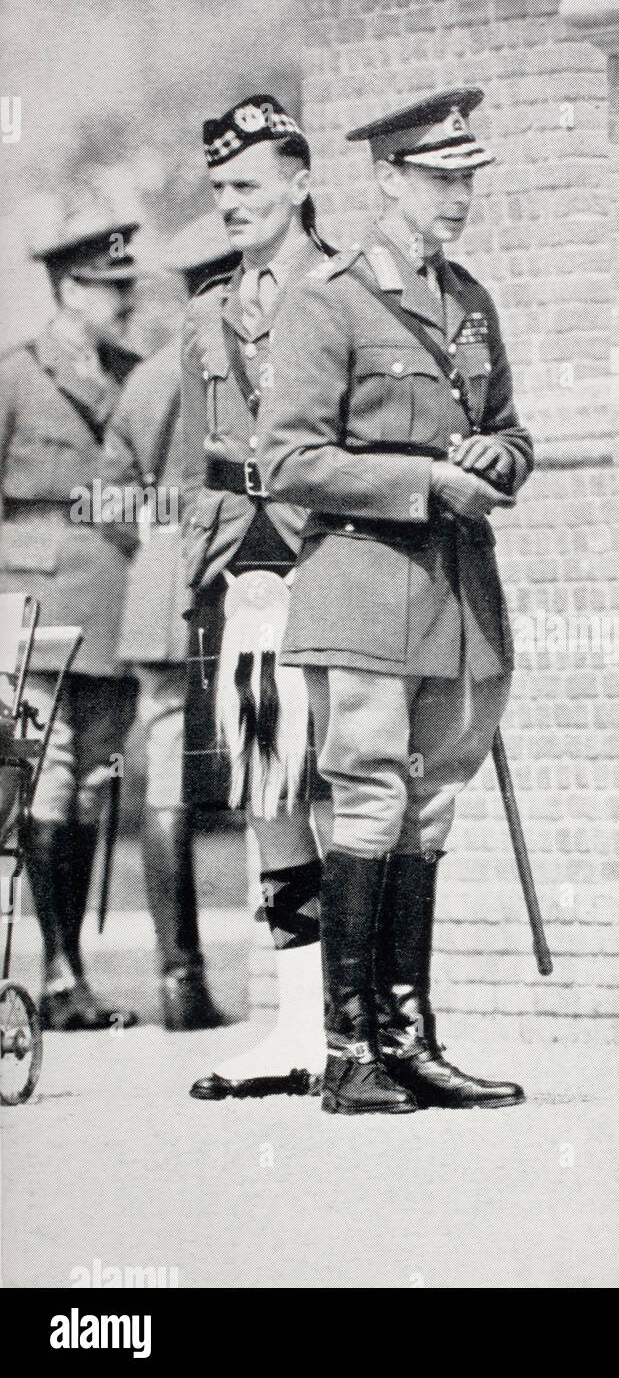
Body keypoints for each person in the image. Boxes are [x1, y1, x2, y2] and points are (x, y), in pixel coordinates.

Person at [257, 88, 531, 1115]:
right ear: (385, 178)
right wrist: (424, 481)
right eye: (436, 177)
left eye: (466, 177)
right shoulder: (328, 298)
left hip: (458, 594)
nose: (457, 196)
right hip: (365, 584)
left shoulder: (469, 299)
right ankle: (348, 1051)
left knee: (431, 808)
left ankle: (410, 1040)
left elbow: (512, 434)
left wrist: (494, 458)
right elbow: (286, 459)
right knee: (369, 797)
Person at [179, 96, 334, 1100]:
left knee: (363, 792)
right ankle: (299, 1025)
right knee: (273, 794)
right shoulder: (203, 313)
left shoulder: (350, 289)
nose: (230, 203)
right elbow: (203, 457)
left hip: (344, 559)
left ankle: (371, 1023)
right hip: (253, 575)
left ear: (298, 181)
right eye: (220, 188)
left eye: (247, 185)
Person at [0, 219, 142, 1030]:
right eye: (107, 287)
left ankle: (72, 978)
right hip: (35, 598)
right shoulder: (17, 376)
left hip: (114, 599)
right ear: (67, 291)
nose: (122, 302)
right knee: (47, 776)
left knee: (91, 784)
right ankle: (57, 975)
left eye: (127, 287)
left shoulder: (136, 375)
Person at [102, 212, 238, 1030]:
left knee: (168, 773)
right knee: (272, 759)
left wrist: (153, 542)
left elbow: (108, 499)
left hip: (158, 584)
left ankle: (177, 979)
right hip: (226, 576)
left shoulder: (148, 375)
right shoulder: (234, 363)